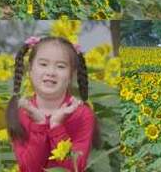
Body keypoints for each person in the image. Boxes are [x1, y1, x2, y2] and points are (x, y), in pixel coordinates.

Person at [6, 36, 96, 172]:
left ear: (71, 74)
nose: (51, 72)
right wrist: (39, 124)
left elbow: (75, 167)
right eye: (43, 64)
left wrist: (57, 127)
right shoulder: (21, 113)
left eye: (60, 66)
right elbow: (29, 168)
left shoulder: (82, 114)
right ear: (30, 69)